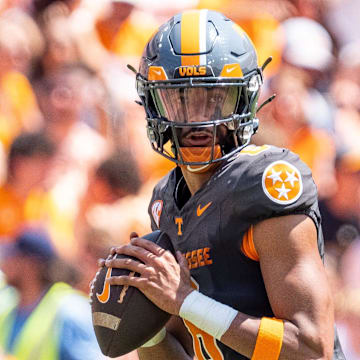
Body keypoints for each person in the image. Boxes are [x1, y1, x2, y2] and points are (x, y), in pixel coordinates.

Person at [101, 9, 345, 360]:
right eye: (179, 99)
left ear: (243, 98)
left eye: (214, 98)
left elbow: (310, 349)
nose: (196, 120)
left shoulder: (266, 182)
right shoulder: (164, 200)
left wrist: (186, 301)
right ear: (153, 104)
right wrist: (146, 326)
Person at [0, 226, 103, 360]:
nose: (4, 263)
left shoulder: (70, 311)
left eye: (11, 257)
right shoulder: (7, 306)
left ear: (30, 265)